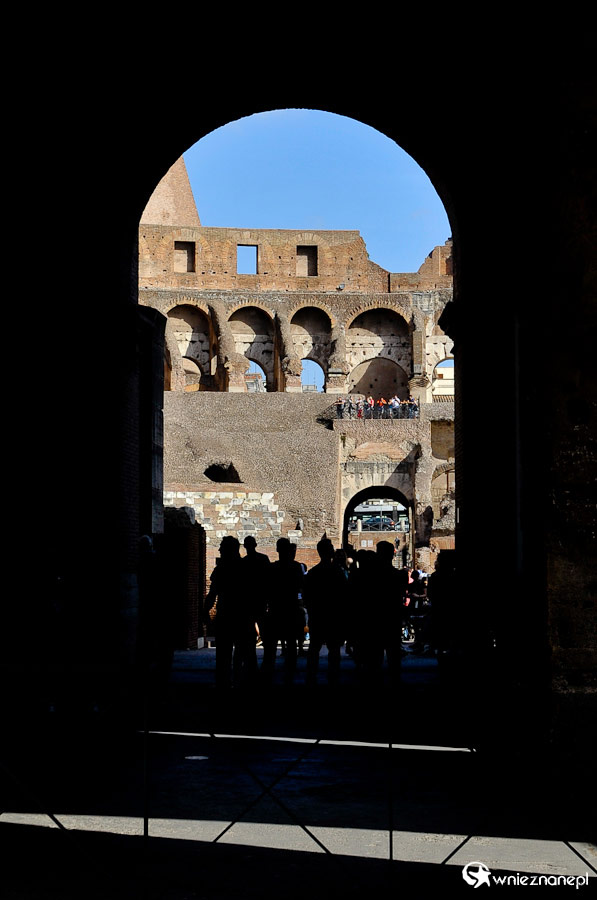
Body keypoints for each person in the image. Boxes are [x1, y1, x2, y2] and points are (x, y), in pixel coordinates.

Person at [205, 536, 257, 689]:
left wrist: (205, 611)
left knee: (224, 656)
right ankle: (240, 684)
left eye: (222, 547)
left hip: (227, 617)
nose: (219, 550)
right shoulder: (245, 568)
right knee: (242, 655)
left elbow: (212, 593)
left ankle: (225, 685)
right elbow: (253, 594)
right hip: (242, 618)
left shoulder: (221, 570)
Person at [303, 538, 348, 687]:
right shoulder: (338, 573)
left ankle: (311, 677)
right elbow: (343, 596)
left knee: (314, 648)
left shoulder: (312, 573)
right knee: (334, 649)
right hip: (333, 617)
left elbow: (307, 597)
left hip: (318, 616)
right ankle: (333, 678)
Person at [261, 537, 305, 685]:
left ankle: (268, 676)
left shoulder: (272, 569)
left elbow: (266, 590)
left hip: (275, 610)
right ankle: (289, 675)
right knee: (291, 644)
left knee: (271, 647)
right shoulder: (296, 567)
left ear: (277, 549)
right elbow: (300, 587)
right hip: (290, 609)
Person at [242, 536, 271, 648]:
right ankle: (267, 661)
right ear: (255, 545)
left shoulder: (243, 562)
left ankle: (251, 661)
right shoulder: (263, 559)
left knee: (249, 635)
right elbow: (269, 580)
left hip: (248, 602)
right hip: (261, 601)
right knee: (265, 632)